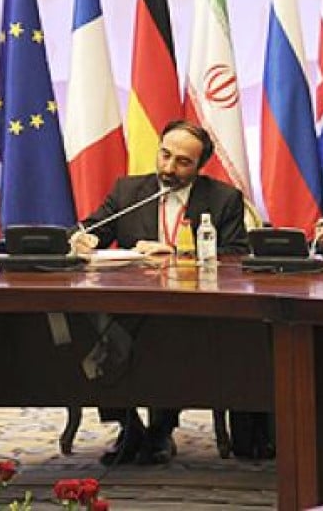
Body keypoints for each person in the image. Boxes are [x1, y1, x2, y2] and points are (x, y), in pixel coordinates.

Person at [71, 120, 249, 465]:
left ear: (200, 166)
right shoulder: (128, 191)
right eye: (165, 155)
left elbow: (236, 256)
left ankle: (161, 429)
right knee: (92, 333)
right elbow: (93, 227)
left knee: (166, 337)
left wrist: (180, 254)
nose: (169, 168)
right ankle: (128, 425)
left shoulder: (223, 198)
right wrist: (83, 238)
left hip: (190, 308)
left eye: (182, 162)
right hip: (128, 303)